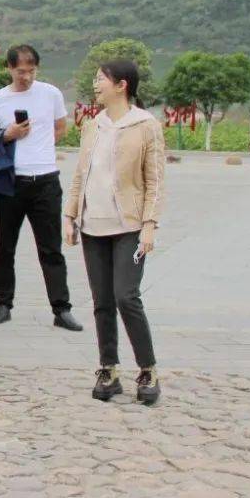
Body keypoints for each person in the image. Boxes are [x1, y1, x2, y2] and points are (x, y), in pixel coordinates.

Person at [64, 60, 164, 405]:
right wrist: (70, 215)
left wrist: (149, 224)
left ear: (122, 85)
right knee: (102, 301)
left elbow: (155, 180)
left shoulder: (146, 125)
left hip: (130, 226)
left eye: (100, 79)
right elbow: (80, 174)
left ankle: (147, 369)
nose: (96, 85)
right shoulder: (93, 125)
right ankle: (108, 369)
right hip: (93, 226)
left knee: (126, 296)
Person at [0, 45, 82, 331]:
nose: (26, 76)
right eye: (20, 71)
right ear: (9, 68)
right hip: (11, 182)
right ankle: (3, 303)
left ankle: (61, 309)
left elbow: (60, 127)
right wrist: (8, 134)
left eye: (31, 70)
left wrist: (41, 147)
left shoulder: (50, 93)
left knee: (51, 248)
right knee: (5, 246)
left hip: (46, 180)